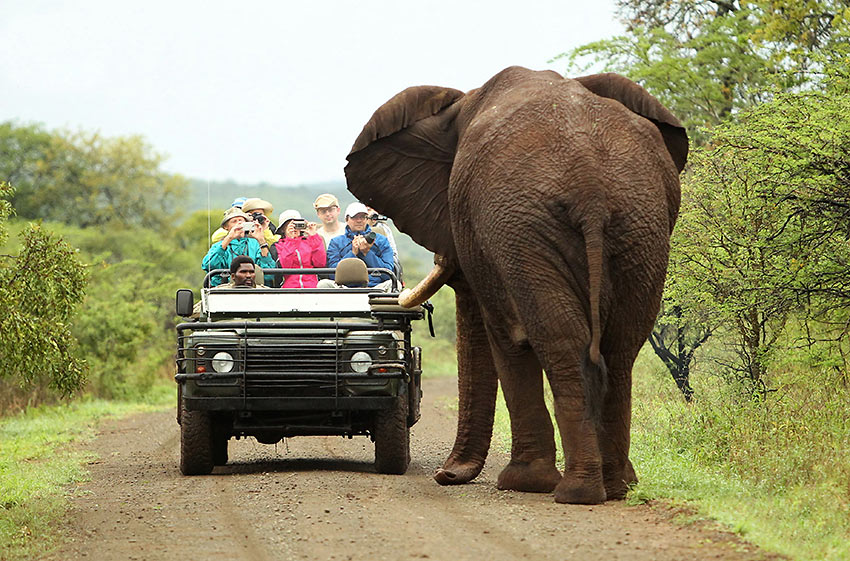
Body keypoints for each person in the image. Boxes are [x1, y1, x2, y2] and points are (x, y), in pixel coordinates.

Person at [324, 202, 394, 289]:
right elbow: (332, 274)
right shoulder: (336, 242)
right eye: (354, 217)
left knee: (394, 284)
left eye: (362, 217)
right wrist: (352, 253)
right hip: (344, 287)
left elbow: (388, 273)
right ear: (347, 219)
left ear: (367, 219)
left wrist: (367, 253)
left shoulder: (381, 240)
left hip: (376, 287)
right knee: (323, 284)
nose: (359, 220)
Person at [202, 207, 276, 287]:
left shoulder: (254, 244)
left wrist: (261, 240)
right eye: (234, 221)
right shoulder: (220, 245)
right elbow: (208, 265)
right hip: (224, 290)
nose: (239, 223)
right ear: (226, 227)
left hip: (253, 288)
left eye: (242, 220)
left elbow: (269, 274)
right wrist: (229, 238)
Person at [273, 209, 326, 288]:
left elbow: (320, 263)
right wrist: (290, 241)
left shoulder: (310, 241)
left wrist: (313, 236)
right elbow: (285, 267)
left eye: (296, 224)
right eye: (289, 224)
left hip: (312, 287)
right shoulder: (278, 245)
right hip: (289, 289)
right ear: (282, 229)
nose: (294, 227)